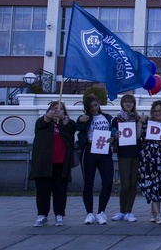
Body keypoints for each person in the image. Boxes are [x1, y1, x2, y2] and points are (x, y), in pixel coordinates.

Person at [30, 101, 77, 227]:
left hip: (61, 162)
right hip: (44, 163)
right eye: (54, 108)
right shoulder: (43, 123)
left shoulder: (67, 123)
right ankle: (42, 215)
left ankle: (59, 214)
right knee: (43, 190)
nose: (57, 110)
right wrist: (48, 116)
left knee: (60, 191)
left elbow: (72, 128)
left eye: (60, 109)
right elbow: (40, 124)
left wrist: (63, 118)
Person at [76, 94, 116, 225]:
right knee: (88, 182)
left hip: (104, 151)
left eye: (95, 105)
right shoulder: (85, 118)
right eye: (90, 106)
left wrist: (113, 138)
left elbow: (114, 132)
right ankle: (89, 213)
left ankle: (101, 212)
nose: (93, 108)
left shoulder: (107, 117)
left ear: (99, 104)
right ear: (86, 107)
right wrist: (81, 121)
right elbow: (79, 129)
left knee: (108, 181)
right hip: (90, 150)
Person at [137, 100, 161, 225]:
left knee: (159, 185)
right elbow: (138, 137)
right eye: (155, 111)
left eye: (160, 110)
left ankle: (153, 212)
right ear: (152, 112)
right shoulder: (147, 123)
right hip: (149, 157)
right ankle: (158, 214)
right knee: (152, 185)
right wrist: (139, 122)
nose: (158, 113)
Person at [111, 94, 141, 222]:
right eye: (126, 102)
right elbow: (112, 134)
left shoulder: (137, 118)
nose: (128, 104)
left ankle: (129, 211)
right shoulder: (116, 119)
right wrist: (115, 135)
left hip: (136, 153)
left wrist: (140, 122)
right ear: (122, 103)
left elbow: (140, 135)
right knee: (125, 184)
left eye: (131, 102)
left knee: (133, 183)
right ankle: (122, 210)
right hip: (123, 154)